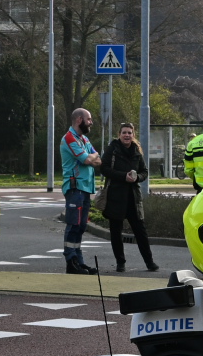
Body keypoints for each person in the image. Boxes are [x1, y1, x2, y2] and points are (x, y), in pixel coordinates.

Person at [101, 122, 158, 272]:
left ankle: (149, 262)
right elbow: (104, 168)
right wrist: (122, 176)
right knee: (116, 231)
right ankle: (120, 262)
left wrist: (137, 177)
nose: (127, 135)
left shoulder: (136, 151)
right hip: (115, 196)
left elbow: (145, 171)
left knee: (140, 231)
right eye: (124, 132)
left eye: (129, 133)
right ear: (119, 134)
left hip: (133, 197)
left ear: (133, 135)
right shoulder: (112, 149)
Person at [59, 106, 102, 274]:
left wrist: (91, 158)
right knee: (73, 224)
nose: (91, 122)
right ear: (79, 120)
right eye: (89, 119)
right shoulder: (69, 138)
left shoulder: (83, 139)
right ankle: (71, 261)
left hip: (84, 188)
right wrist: (90, 158)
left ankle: (79, 260)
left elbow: (98, 158)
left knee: (81, 225)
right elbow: (86, 159)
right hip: (75, 187)